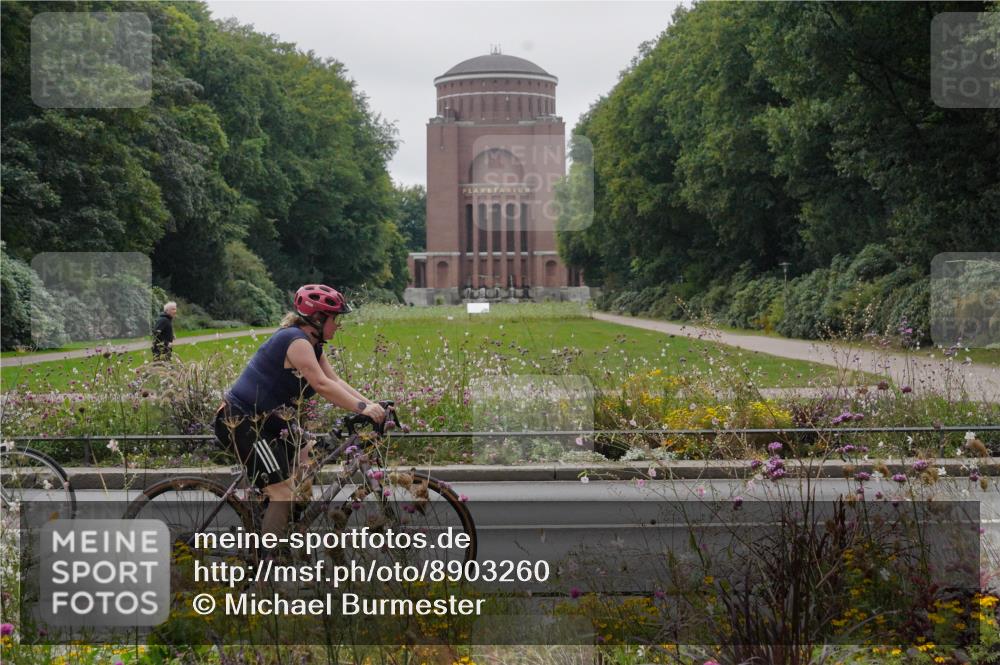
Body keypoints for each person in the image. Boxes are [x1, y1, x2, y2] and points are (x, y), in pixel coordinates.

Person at [214, 284, 386, 545]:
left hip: (272, 421)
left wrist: (372, 405)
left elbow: (335, 380)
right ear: (317, 319)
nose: (337, 325)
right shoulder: (294, 341)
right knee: (283, 493)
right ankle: (267, 564)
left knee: (310, 455)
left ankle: (280, 523)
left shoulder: (313, 345)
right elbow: (321, 385)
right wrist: (362, 409)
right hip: (243, 420)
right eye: (334, 319)